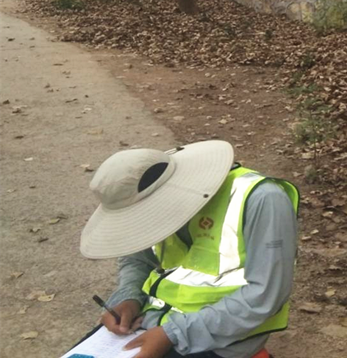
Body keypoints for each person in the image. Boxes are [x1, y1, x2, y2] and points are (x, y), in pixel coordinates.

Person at [78, 140, 299, 358]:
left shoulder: (262, 199)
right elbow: (137, 259)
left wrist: (173, 333)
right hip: (153, 323)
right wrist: (129, 297)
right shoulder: (149, 204)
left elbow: (266, 294)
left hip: (224, 341)